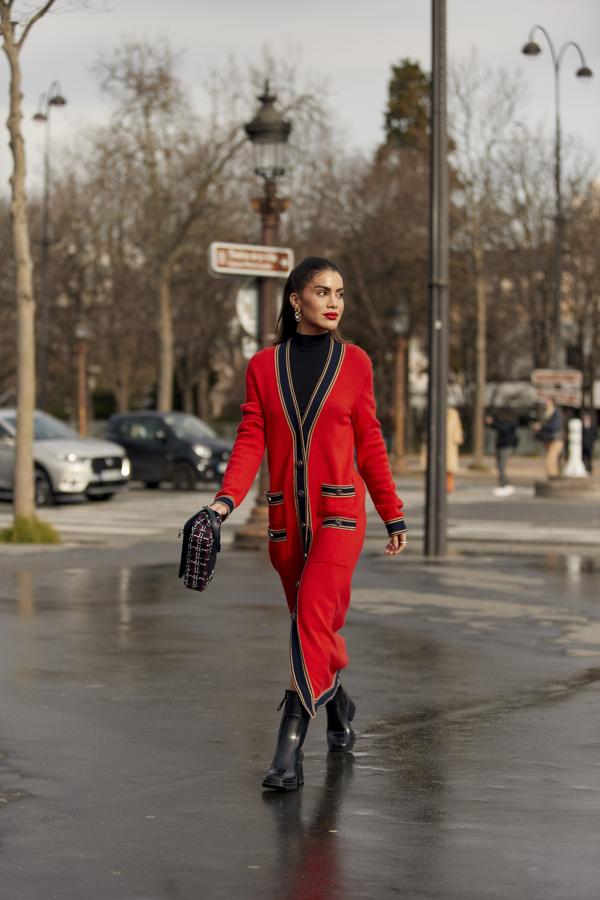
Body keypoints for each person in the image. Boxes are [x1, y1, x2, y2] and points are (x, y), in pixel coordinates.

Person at [206, 257, 408, 791]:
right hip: (284, 525)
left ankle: (289, 743)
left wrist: (391, 511)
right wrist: (223, 504)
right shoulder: (262, 367)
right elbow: (251, 441)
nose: (335, 302)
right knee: (311, 628)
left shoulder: (357, 362)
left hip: (340, 517)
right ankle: (339, 705)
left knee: (312, 620)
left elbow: (370, 443)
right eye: (323, 291)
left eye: (340, 292)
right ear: (296, 299)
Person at [485, 407, 518, 496]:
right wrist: (491, 423)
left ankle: (505, 484)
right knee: (499, 466)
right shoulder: (502, 422)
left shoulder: (511, 422)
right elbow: (497, 426)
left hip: (506, 446)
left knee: (501, 466)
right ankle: (503, 483)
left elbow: (503, 428)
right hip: (500, 445)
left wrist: (493, 423)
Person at [532, 398, 563, 478]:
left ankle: (553, 478)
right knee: (552, 461)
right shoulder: (547, 413)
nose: (546, 403)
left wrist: (541, 426)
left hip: (556, 440)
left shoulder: (556, 413)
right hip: (549, 440)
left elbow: (554, 426)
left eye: (548, 401)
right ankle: (553, 477)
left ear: (552, 403)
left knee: (550, 461)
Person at [446, 406, 464, 493]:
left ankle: (449, 486)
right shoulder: (453, 416)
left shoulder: (453, 415)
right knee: (447, 469)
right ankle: (448, 486)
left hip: (450, 446)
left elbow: (457, 431)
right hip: (450, 446)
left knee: (449, 469)